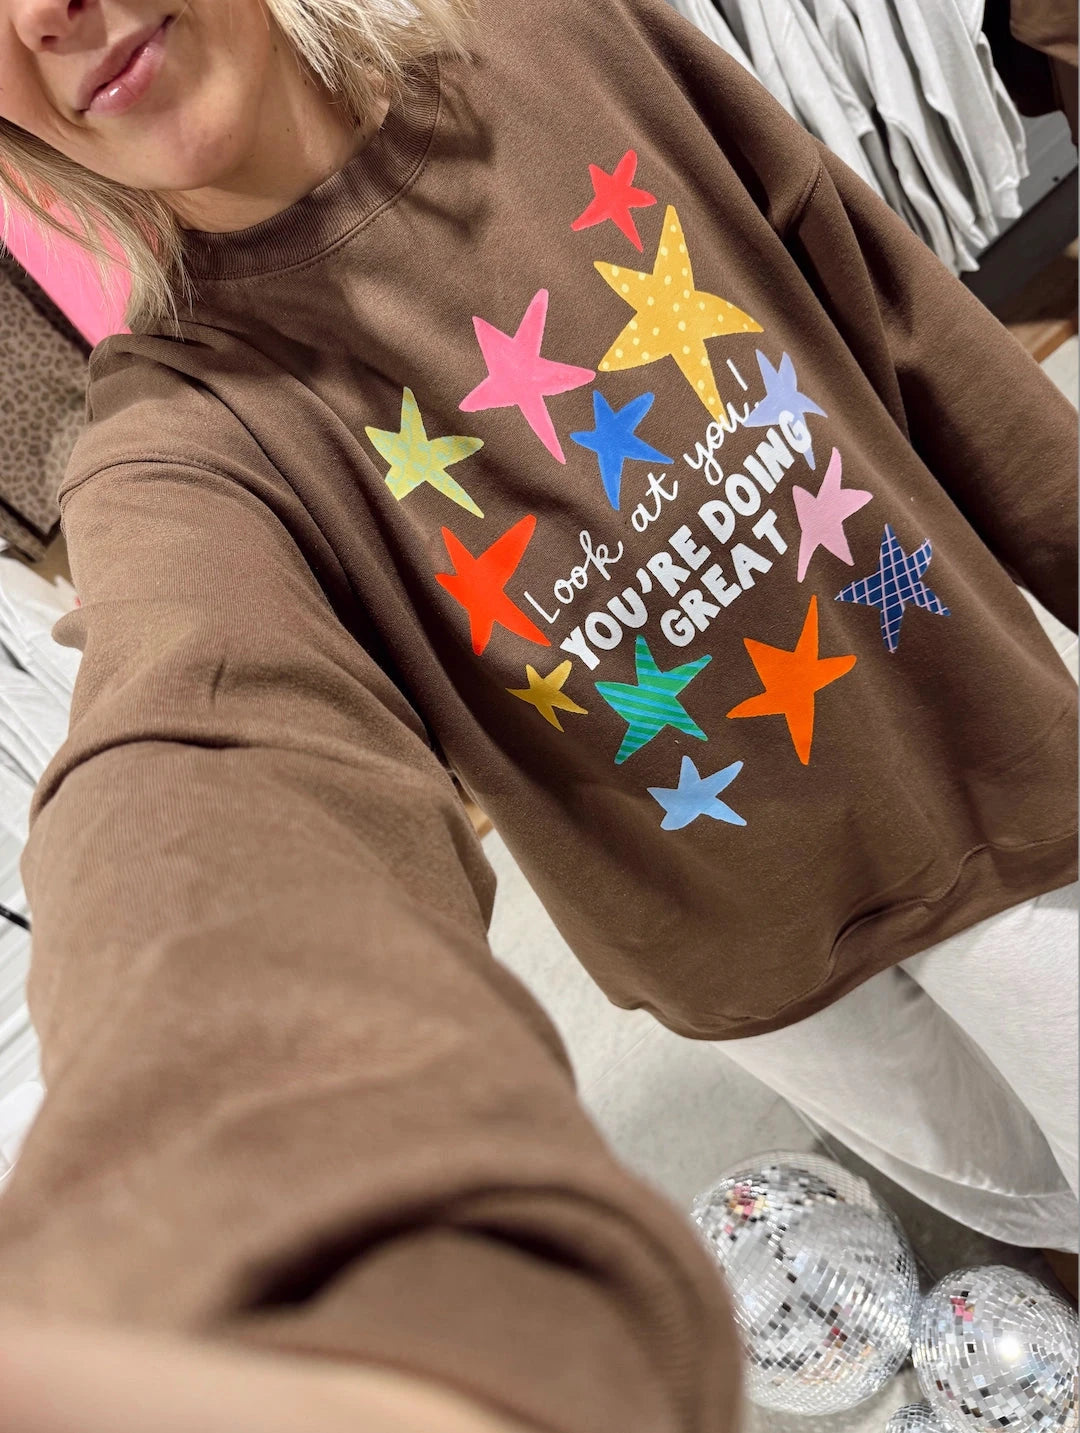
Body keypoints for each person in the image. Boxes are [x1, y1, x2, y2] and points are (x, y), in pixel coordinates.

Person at [0, 0, 1075, 1426]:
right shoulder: (178, 438)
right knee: (1005, 1182)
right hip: (755, 967)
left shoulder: (567, 39)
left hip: (998, 799)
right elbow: (193, 736)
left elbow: (901, 320)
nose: (42, 10)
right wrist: (200, 1184)